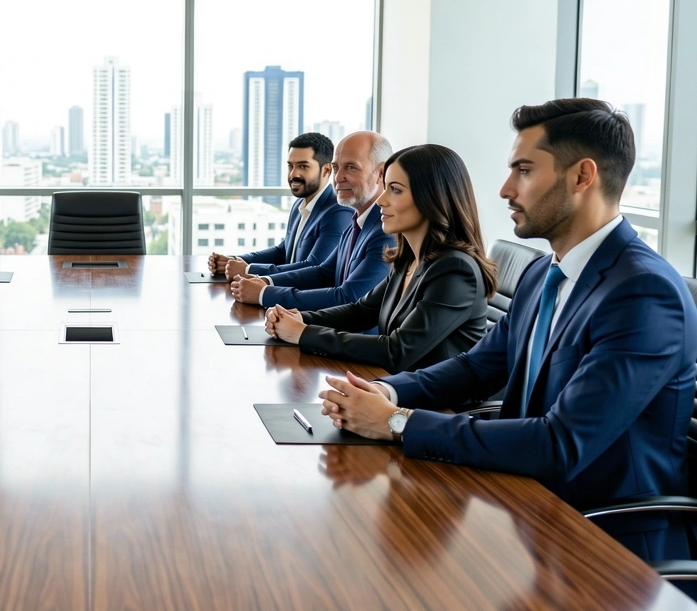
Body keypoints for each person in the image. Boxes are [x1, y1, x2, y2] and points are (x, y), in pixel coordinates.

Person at [319, 99, 697, 563]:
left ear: (582, 177)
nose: (503, 189)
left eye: (523, 170)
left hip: (603, 542)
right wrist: (383, 392)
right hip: (524, 507)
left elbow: (561, 444)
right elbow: (478, 366)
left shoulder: (642, 292)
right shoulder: (544, 272)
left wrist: (398, 424)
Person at [265, 144, 494, 373]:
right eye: (385, 188)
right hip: (389, 388)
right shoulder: (408, 259)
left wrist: (303, 333)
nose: (382, 200)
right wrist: (298, 318)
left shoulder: (456, 270)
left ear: (432, 197)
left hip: (435, 405)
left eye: (395, 190)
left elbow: (397, 351)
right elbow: (361, 312)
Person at [231, 131, 396, 315]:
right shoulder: (357, 222)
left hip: (352, 340)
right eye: (336, 168)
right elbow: (323, 272)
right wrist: (266, 282)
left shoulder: (386, 231)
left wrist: (264, 294)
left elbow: (349, 297)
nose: (338, 178)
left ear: (381, 173)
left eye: (351, 167)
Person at [208, 132, 350, 280]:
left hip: (305, 300)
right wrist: (234, 261)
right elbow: (283, 251)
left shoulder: (337, 212)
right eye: (291, 166)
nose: (293, 174)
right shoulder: (299, 205)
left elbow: (313, 267)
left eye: (303, 166)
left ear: (326, 170)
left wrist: (248, 269)